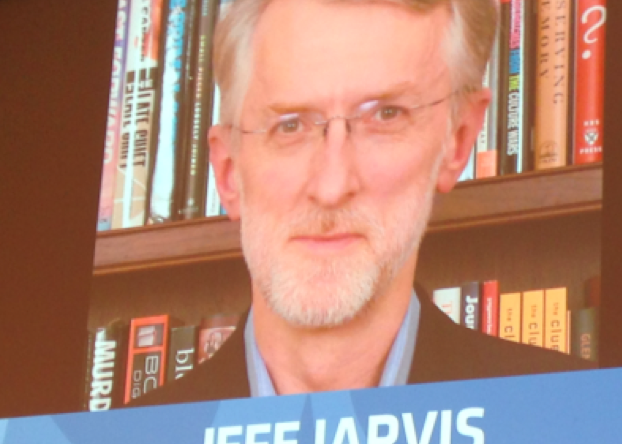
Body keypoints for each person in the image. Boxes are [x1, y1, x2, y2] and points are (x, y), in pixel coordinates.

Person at [133, 0, 587, 407]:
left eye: (385, 116)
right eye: (289, 126)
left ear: (458, 140)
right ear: (228, 170)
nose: (332, 187)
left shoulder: (573, 430)